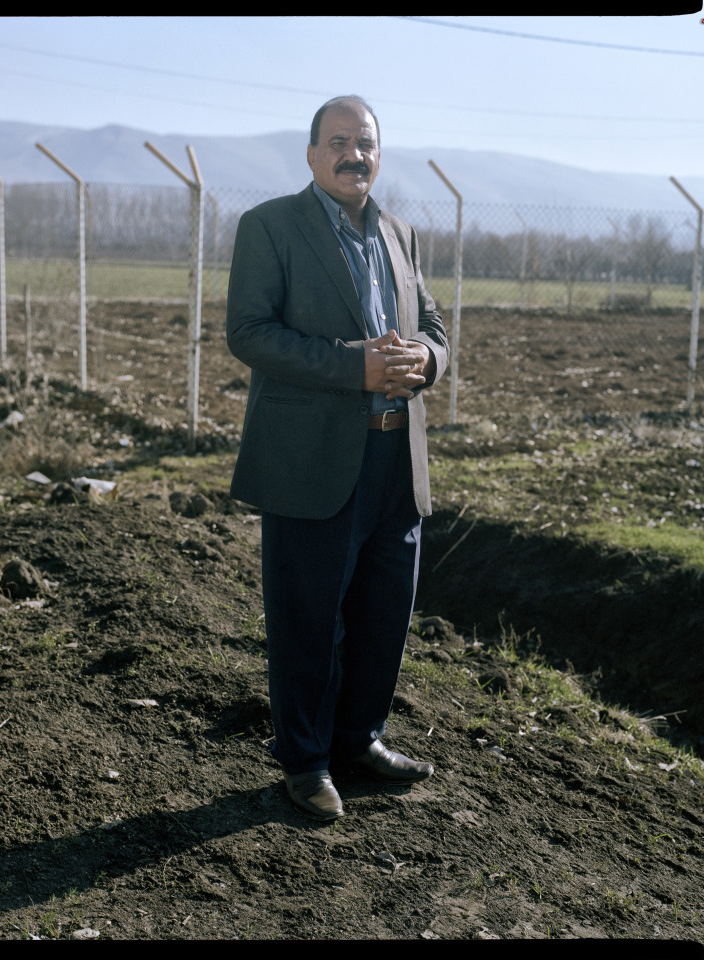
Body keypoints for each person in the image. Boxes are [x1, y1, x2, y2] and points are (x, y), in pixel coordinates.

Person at [226, 95, 449, 821]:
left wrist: (428, 358)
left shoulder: (400, 233)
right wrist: (355, 367)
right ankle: (306, 761)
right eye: (341, 141)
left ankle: (361, 740)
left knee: (385, 613)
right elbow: (250, 334)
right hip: (310, 461)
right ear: (314, 153)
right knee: (308, 619)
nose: (356, 154)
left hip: (394, 459)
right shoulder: (270, 228)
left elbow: (437, 327)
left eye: (367, 143)